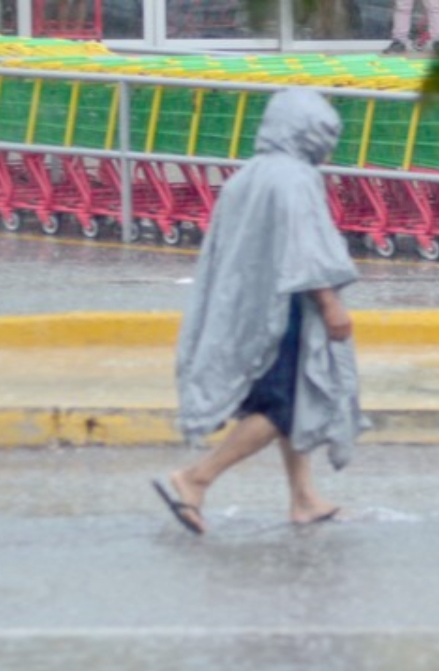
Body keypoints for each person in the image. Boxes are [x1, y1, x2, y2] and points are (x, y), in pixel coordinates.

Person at [153, 88, 364, 536]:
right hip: (284, 309)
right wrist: (330, 304)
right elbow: (304, 249)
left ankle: (303, 497)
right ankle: (195, 479)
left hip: (249, 308)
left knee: (293, 396)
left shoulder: (248, 176)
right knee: (282, 404)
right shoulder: (294, 179)